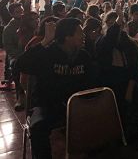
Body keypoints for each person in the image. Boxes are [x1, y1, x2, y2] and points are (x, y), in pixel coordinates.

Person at [16, 18, 96, 159]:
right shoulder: (48, 54)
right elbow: (19, 65)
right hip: (47, 105)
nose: (84, 36)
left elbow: (92, 83)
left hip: (75, 107)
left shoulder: (83, 56)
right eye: (80, 33)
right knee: (38, 128)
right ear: (67, 36)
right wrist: (45, 41)